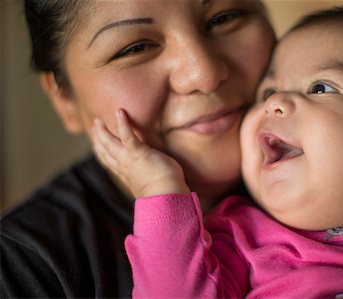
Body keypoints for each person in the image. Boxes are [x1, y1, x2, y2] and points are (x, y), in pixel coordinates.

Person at [93, 6, 343, 298]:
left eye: (320, 87)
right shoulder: (239, 238)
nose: (275, 102)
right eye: (267, 92)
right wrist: (161, 187)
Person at [0, 0, 275, 297]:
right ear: (64, 99)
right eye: (136, 48)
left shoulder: (331, 183)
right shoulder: (24, 267)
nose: (204, 75)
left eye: (224, 18)